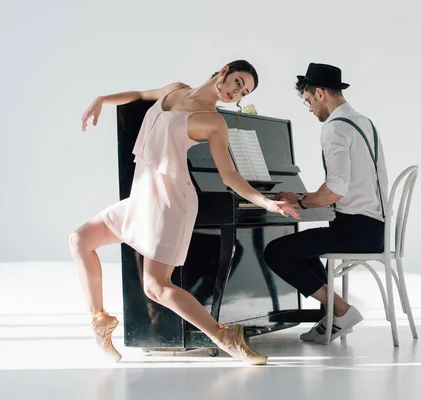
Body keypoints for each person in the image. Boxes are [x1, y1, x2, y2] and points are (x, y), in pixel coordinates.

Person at [70, 60, 300, 365]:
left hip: (169, 203)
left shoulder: (213, 122)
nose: (236, 92)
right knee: (80, 240)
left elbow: (229, 176)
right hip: (142, 196)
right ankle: (99, 321)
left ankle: (225, 337)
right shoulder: (174, 89)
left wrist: (268, 203)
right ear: (224, 70)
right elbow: (139, 95)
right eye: (237, 82)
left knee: (157, 287)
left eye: (243, 92)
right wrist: (102, 99)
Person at [264, 63, 389, 344]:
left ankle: (340, 311)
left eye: (308, 101)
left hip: (358, 230)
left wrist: (303, 203)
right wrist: (303, 199)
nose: (309, 109)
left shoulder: (334, 128)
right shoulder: (363, 121)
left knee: (276, 252)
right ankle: (331, 316)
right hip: (374, 227)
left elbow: (335, 190)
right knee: (304, 247)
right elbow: (342, 184)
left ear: (319, 93)